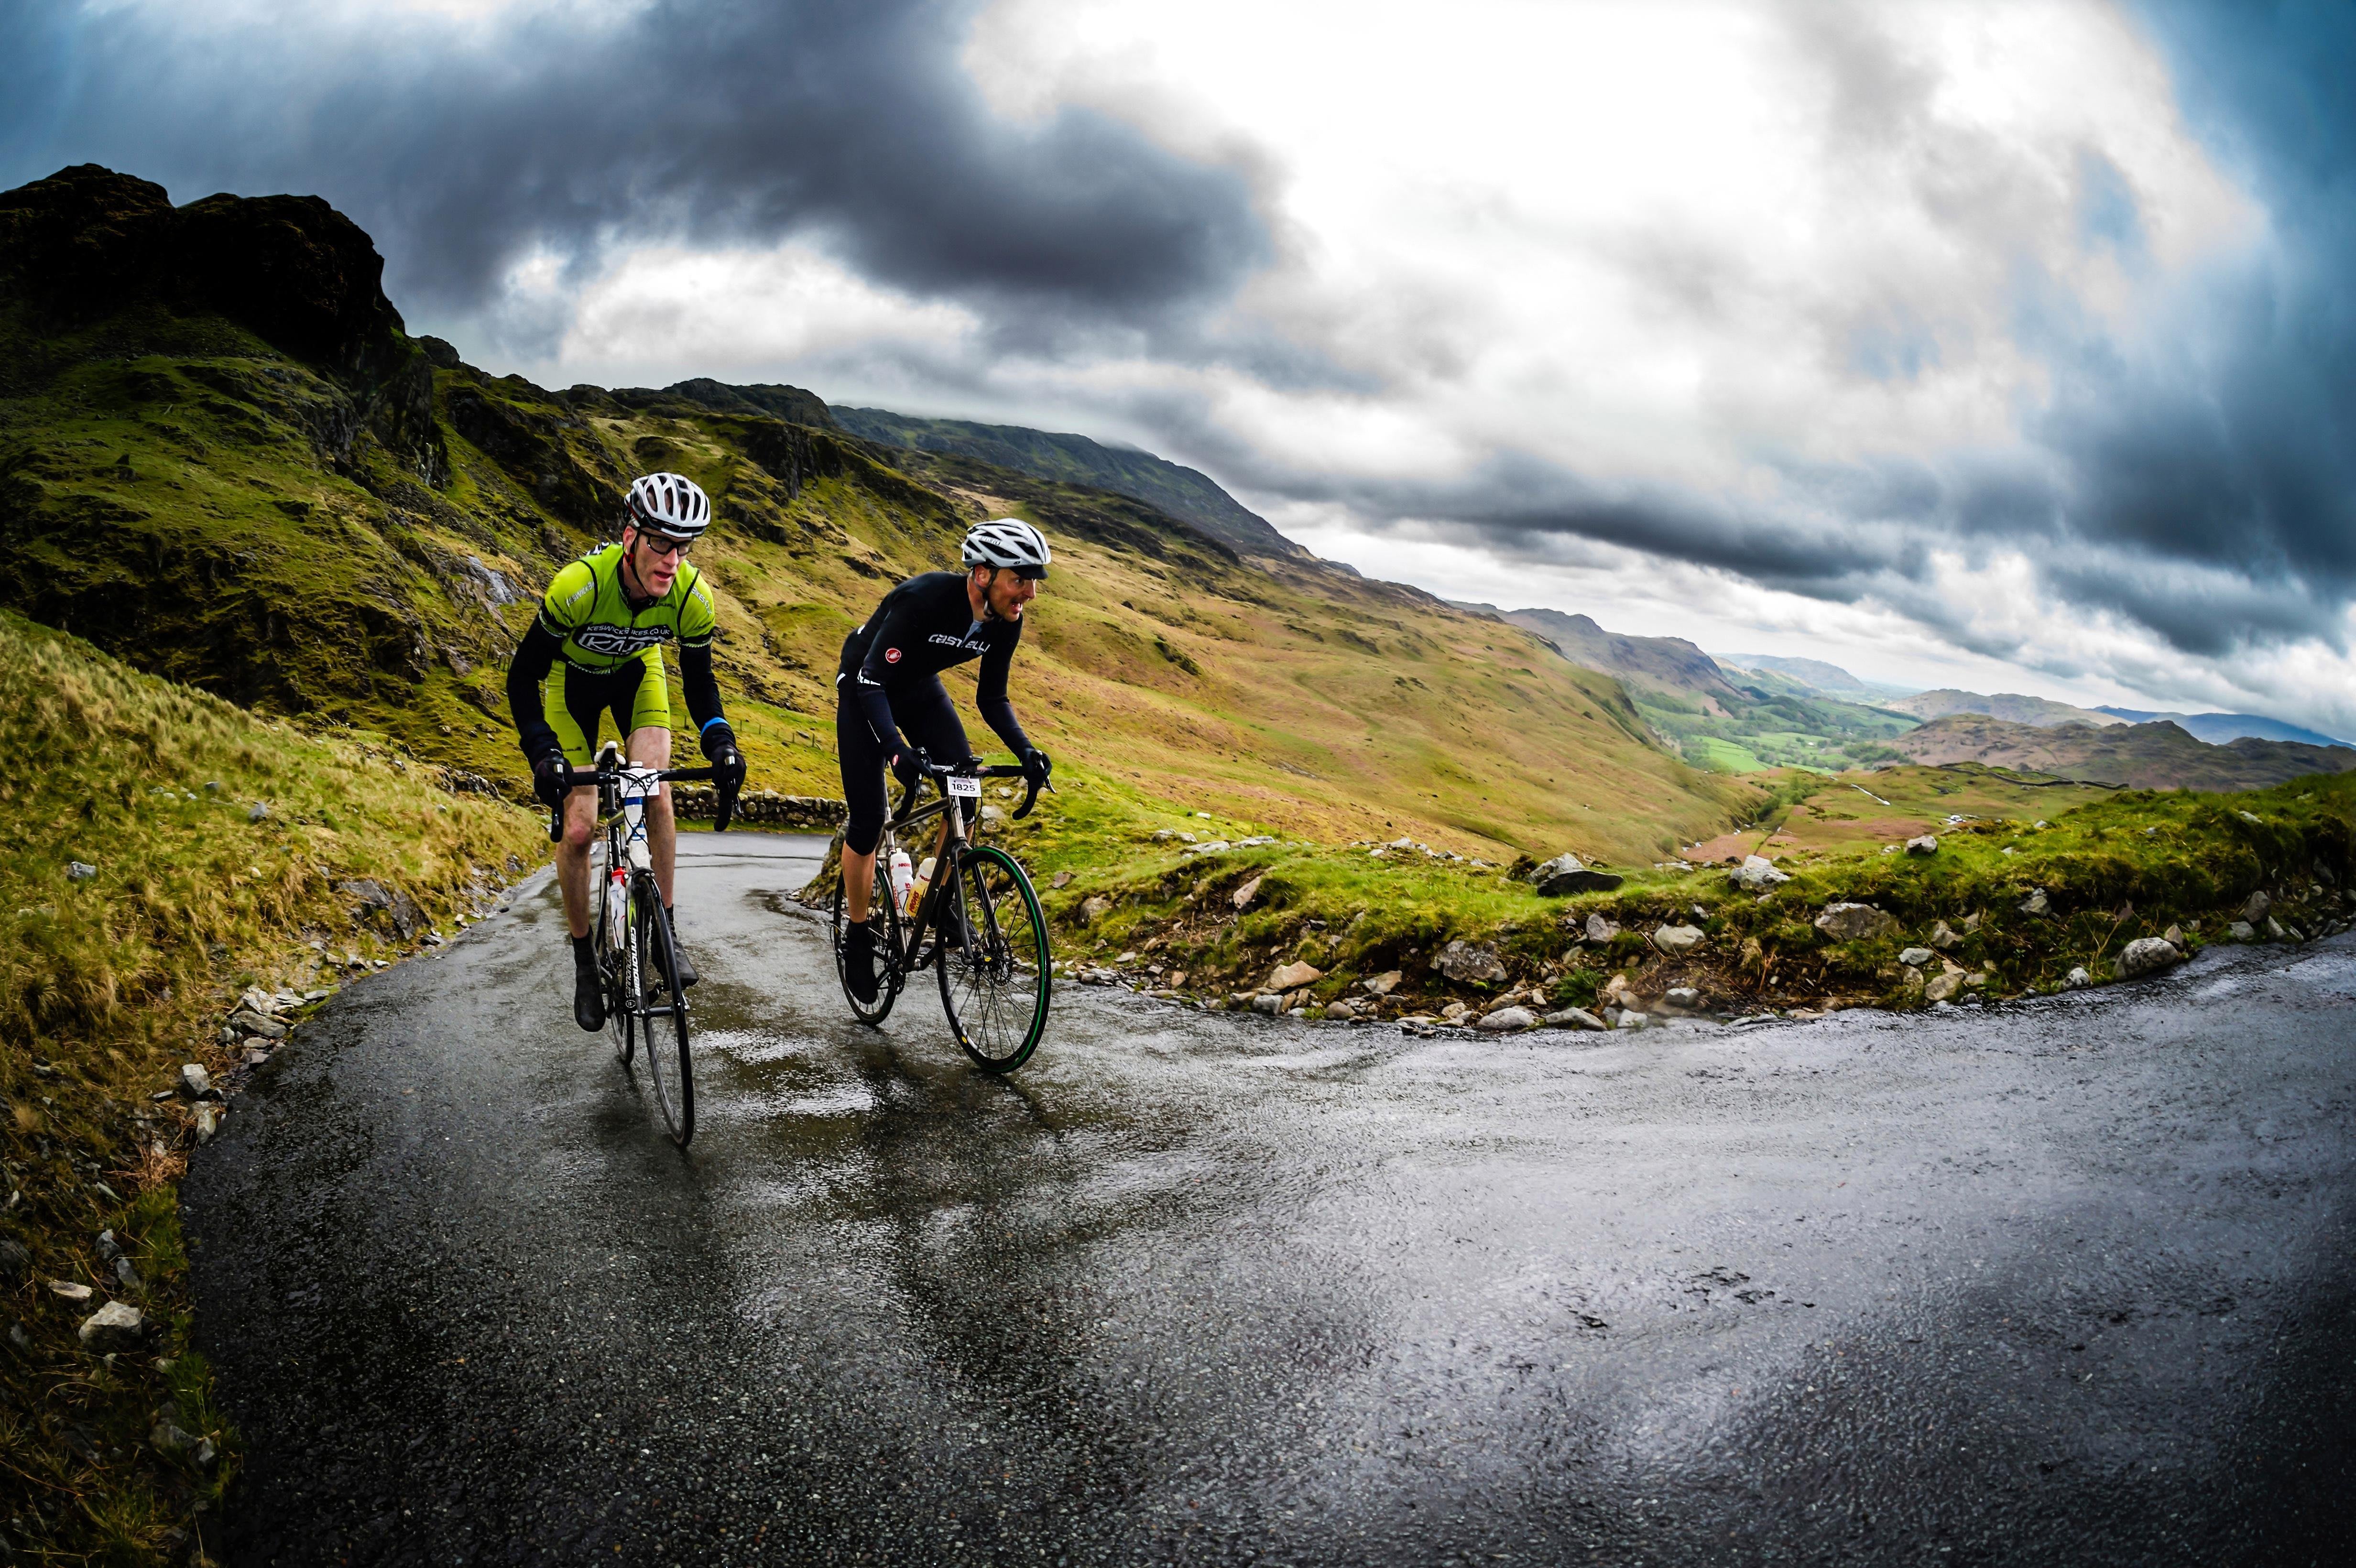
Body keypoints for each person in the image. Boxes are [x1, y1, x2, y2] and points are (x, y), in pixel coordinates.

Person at [506, 472, 748, 1030]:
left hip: (638, 678)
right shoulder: (579, 587)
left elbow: (701, 684)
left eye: (683, 547)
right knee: (579, 829)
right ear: (630, 537)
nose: (672, 559)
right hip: (573, 686)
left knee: (656, 792)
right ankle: (585, 962)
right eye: (661, 543)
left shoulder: (691, 596)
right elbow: (523, 678)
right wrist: (543, 751)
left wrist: (721, 741)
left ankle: (663, 931)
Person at [836, 517, 1054, 1001]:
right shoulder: (925, 598)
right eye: (1020, 579)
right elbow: (872, 682)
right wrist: (895, 751)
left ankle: (937, 900)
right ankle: (855, 935)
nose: (1029, 594)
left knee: (965, 793)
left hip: (918, 691)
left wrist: (1025, 751)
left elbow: (992, 699)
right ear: (983, 574)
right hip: (864, 687)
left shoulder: (1006, 622)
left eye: (1033, 581)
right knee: (869, 818)